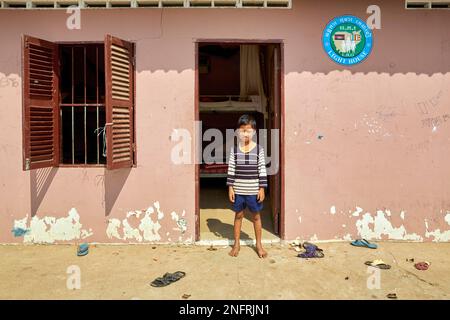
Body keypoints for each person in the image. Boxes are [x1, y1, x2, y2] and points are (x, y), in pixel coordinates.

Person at [227, 114, 268, 258]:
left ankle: (259, 244)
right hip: (239, 190)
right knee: (238, 216)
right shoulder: (234, 150)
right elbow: (231, 168)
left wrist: (262, 188)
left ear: (254, 132)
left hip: (253, 190)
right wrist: (231, 187)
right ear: (238, 132)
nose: (245, 133)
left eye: (249, 130)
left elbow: (262, 168)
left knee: (256, 217)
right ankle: (236, 244)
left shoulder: (259, 150)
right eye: (243, 130)